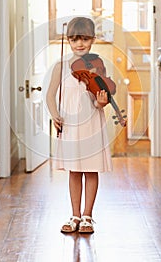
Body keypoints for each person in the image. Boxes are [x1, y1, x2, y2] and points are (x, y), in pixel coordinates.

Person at [46, 16, 113, 234]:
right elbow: (49, 95)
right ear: (68, 40)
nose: (79, 44)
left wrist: (101, 102)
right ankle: (74, 214)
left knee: (90, 170)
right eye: (74, 40)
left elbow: (98, 99)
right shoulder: (60, 66)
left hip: (91, 124)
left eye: (84, 39)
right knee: (74, 171)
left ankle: (88, 216)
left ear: (92, 40)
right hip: (71, 126)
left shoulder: (97, 65)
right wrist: (55, 115)